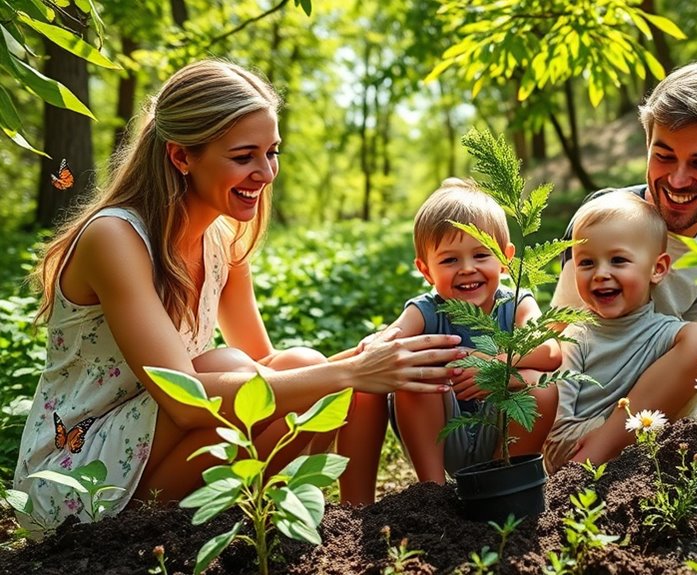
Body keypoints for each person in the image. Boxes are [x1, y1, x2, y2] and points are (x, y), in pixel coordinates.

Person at [14, 60, 464, 531]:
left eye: (272, 152)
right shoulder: (115, 238)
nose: (266, 173)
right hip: (73, 475)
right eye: (244, 155)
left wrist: (364, 359)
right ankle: (175, 531)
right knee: (240, 369)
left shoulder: (222, 241)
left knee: (299, 364)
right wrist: (349, 370)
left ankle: (348, 524)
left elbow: (269, 366)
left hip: (152, 449)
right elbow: (185, 400)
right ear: (181, 156)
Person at [378, 178, 560, 483]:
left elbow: (550, 351)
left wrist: (496, 368)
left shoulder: (515, 304)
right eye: (450, 259)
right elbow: (388, 342)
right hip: (443, 434)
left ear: (506, 258)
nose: (467, 268)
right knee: (415, 378)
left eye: (481, 255)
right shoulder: (425, 310)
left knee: (542, 385)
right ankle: (432, 492)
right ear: (425, 271)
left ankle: (509, 481)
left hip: (498, 429)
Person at [551, 59, 697, 321]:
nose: (678, 180)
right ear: (648, 144)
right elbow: (559, 332)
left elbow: (685, 330)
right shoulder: (600, 218)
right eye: (664, 156)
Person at [543, 192, 697, 471]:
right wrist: (617, 438)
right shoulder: (576, 336)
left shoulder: (668, 337)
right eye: (586, 263)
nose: (600, 273)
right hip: (584, 461)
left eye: (618, 260)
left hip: (657, 457)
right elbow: (556, 439)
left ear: (657, 269)